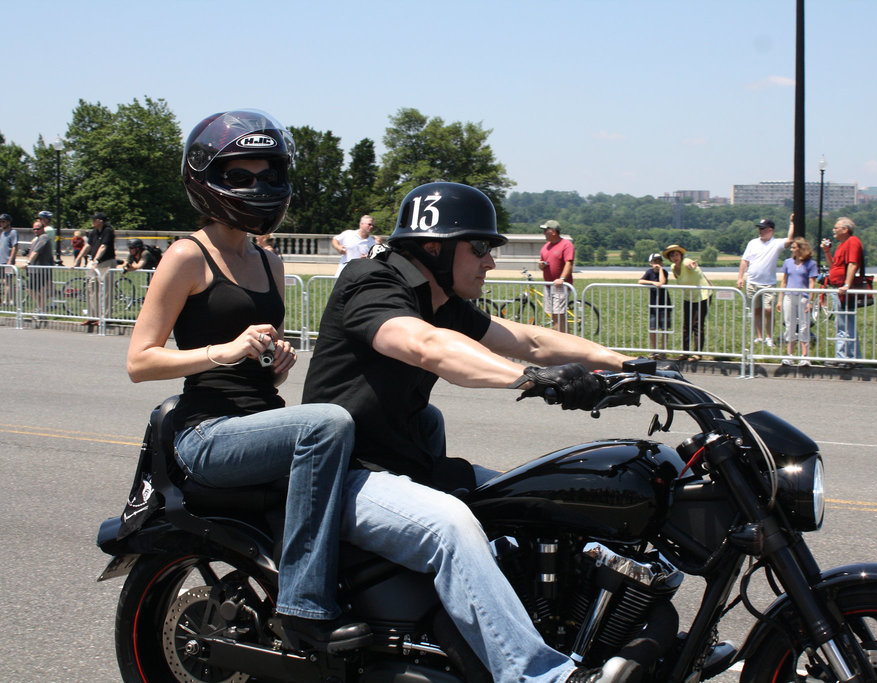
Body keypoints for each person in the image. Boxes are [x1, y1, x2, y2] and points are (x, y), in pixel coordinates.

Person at [303, 181, 639, 683]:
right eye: (480, 247)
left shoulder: (441, 300)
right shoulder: (370, 282)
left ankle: (589, 629)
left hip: (405, 467)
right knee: (452, 526)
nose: (490, 261)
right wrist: (529, 380)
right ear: (433, 248)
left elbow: (530, 338)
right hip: (346, 475)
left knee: (537, 496)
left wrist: (627, 364)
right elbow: (424, 346)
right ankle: (538, 676)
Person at [126, 109, 359, 654]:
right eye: (241, 177)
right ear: (207, 180)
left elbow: (256, 348)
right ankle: (304, 608)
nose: (258, 188)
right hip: (206, 432)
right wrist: (224, 352)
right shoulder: (188, 256)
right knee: (327, 424)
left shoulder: (269, 259)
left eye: (267, 175)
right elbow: (140, 360)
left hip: (257, 420)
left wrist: (274, 356)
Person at [736, 217, 795, 347]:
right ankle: (760, 337)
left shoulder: (776, 243)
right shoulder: (752, 243)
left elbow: (790, 240)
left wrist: (792, 223)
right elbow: (744, 261)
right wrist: (740, 277)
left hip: (768, 283)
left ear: (770, 230)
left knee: (768, 310)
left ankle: (769, 337)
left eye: (763, 229)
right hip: (752, 282)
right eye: (759, 229)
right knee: (756, 310)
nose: (760, 231)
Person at [821, 216, 864, 368]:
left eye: (836, 228)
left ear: (845, 230)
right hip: (837, 288)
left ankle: (844, 357)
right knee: (844, 324)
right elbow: (834, 266)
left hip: (842, 290)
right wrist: (827, 251)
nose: (833, 230)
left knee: (843, 325)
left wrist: (846, 285)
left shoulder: (852, 241)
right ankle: (852, 357)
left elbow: (853, 264)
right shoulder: (842, 245)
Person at [663, 244, 712, 362]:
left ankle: (697, 353)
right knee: (686, 325)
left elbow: (691, 265)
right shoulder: (674, 267)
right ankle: (685, 352)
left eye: (676, 254)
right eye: (672, 255)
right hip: (688, 297)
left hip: (702, 295)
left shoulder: (686, 261)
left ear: (681, 255)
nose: (675, 257)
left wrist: (692, 266)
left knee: (697, 324)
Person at [777, 237, 818, 366]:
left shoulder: (810, 264)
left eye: (794, 247)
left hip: (803, 296)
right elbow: (784, 281)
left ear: (801, 249)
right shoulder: (788, 262)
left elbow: (812, 283)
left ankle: (804, 356)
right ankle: (790, 354)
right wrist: (780, 299)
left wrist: (810, 300)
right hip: (789, 295)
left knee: (804, 325)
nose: (792, 250)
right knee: (790, 324)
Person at [80, 211, 118, 325]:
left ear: (100, 221)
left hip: (106, 262)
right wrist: (78, 259)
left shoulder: (108, 231)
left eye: (94, 219)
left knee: (106, 290)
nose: (92, 221)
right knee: (91, 288)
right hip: (95, 263)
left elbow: (103, 246)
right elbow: (88, 245)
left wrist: (96, 260)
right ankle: (92, 316)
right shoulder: (93, 232)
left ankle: (106, 317)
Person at [539, 219, 574, 333]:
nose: (544, 233)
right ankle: (567, 341)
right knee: (555, 316)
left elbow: (569, 263)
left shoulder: (566, 245)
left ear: (554, 231)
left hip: (560, 286)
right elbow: (543, 262)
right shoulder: (545, 247)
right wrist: (541, 265)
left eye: (545, 230)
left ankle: (560, 343)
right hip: (548, 286)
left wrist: (562, 279)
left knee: (559, 316)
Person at [638, 253, 671, 355]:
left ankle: (663, 349)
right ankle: (654, 349)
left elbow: (662, 282)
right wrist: (652, 283)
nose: (657, 263)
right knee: (653, 327)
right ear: (651, 263)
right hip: (653, 304)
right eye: (655, 261)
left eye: (659, 261)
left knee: (664, 327)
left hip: (664, 304)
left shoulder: (664, 271)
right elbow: (640, 281)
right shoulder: (649, 272)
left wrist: (660, 270)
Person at [24, 219, 55, 318]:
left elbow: (36, 252)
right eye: (34, 229)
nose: (35, 231)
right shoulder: (37, 238)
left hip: (41, 269)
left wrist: (28, 262)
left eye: (38, 229)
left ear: (43, 228)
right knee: (31, 289)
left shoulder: (44, 237)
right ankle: (41, 309)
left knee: (38, 290)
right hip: (35, 269)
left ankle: (42, 310)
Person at [0, 213, 17, 305]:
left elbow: (15, 247)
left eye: (3, 221)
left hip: (7, 261)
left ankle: (10, 300)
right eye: (0, 222)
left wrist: (10, 259)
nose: (1, 223)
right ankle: (5, 300)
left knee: (8, 281)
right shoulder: (2, 233)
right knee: (5, 281)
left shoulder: (13, 232)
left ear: (8, 222)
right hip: (1, 261)